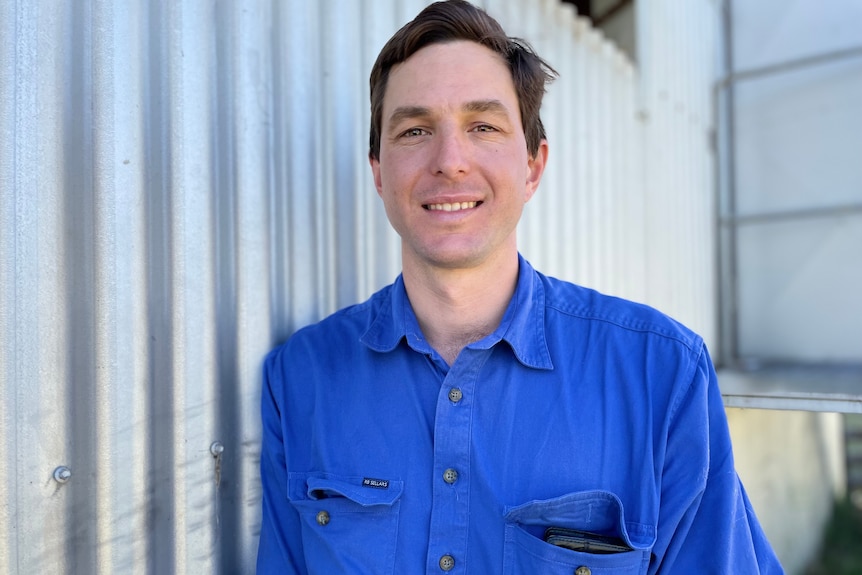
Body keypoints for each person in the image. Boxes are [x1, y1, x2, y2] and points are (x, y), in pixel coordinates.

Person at [257, 1, 783, 573]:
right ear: (379, 171)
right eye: (415, 130)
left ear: (533, 165)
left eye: (483, 126)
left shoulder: (661, 374)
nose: (450, 161)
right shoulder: (301, 377)